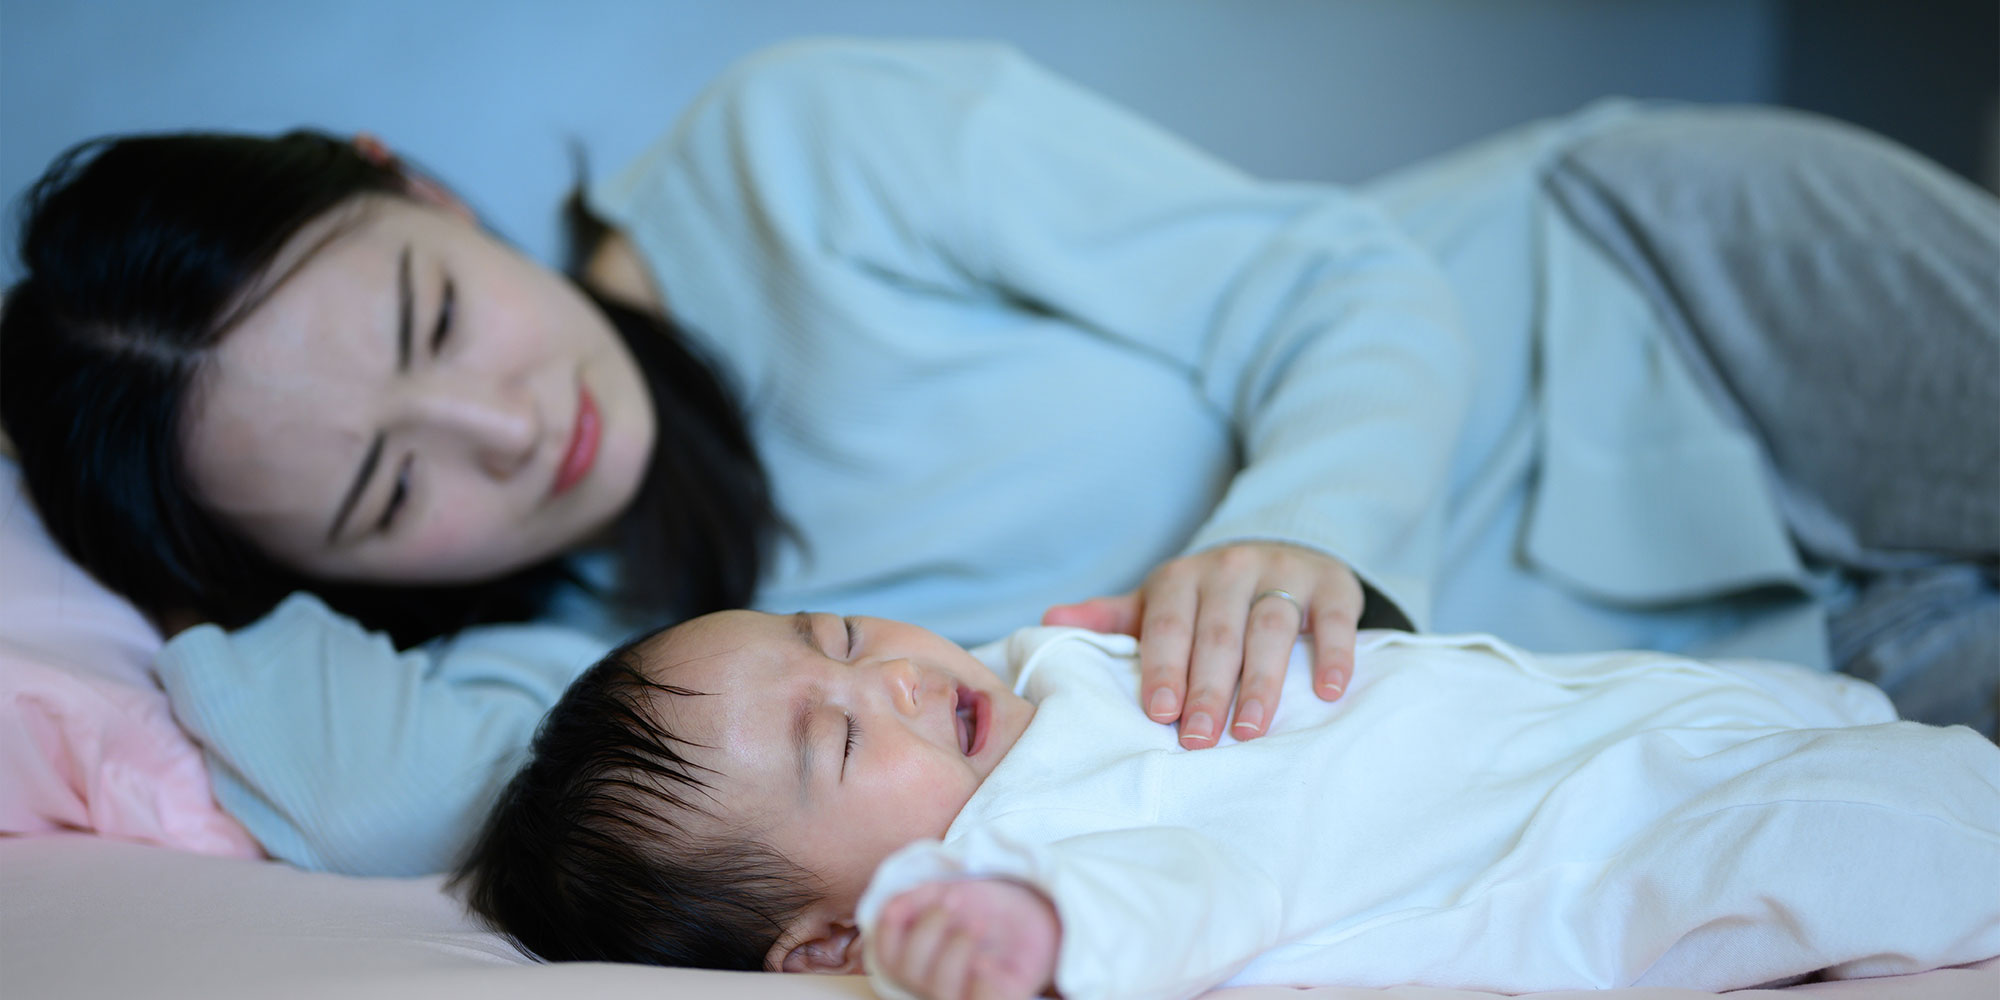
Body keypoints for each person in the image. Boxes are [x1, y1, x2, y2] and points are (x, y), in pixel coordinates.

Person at [3, 38, 1995, 875]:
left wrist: (1288, 530)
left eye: (437, 315)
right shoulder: (594, 698)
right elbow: (346, 804)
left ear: (412, 182)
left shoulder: (800, 151)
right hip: (1720, 684)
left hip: (1657, 310)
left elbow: (1337, 275)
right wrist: (189, 590)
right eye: (383, 490)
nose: (513, 428)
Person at [453, 609, 2000, 999]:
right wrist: (1027, 928)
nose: (898, 684)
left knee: (1850, 747)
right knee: (1883, 829)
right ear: (821, 941)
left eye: (845, 636)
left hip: (1644, 717)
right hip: (1601, 838)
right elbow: (1195, 885)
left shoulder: (1035, 664)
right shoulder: (1012, 847)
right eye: (838, 744)